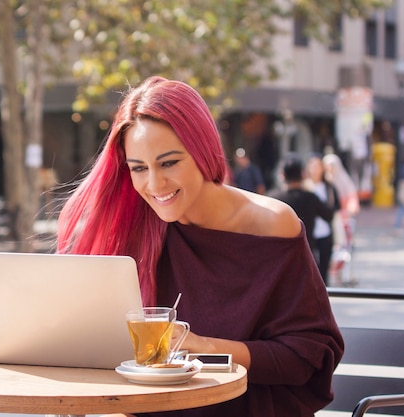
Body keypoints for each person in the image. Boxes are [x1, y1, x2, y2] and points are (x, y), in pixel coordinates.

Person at [56, 77, 344, 417]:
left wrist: (197, 346)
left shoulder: (271, 224)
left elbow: (306, 357)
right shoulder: (135, 230)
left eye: (169, 163)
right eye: (138, 168)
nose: (154, 184)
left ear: (202, 150)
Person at [275, 156, 335, 256]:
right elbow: (329, 215)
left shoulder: (274, 199)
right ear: (303, 174)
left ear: (282, 175)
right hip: (306, 256)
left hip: (281, 257)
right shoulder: (311, 198)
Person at [305, 155, 340, 285]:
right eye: (313, 166)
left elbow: (336, 206)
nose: (315, 169)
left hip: (325, 231)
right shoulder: (305, 187)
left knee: (324, 266)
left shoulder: (329, 187)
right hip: (310, 232)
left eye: (318, 166)